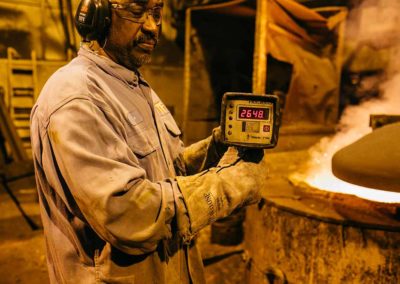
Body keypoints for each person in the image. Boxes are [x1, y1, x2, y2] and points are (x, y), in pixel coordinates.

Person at [30, 0, 268, 283]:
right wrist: (227, 187)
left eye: (157, 13)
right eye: (136, 12)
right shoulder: (76, 99)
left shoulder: (132, 84)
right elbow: (129, 214)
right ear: (97, 15)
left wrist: (214, 150)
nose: (153, 27)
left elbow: (165, 173)